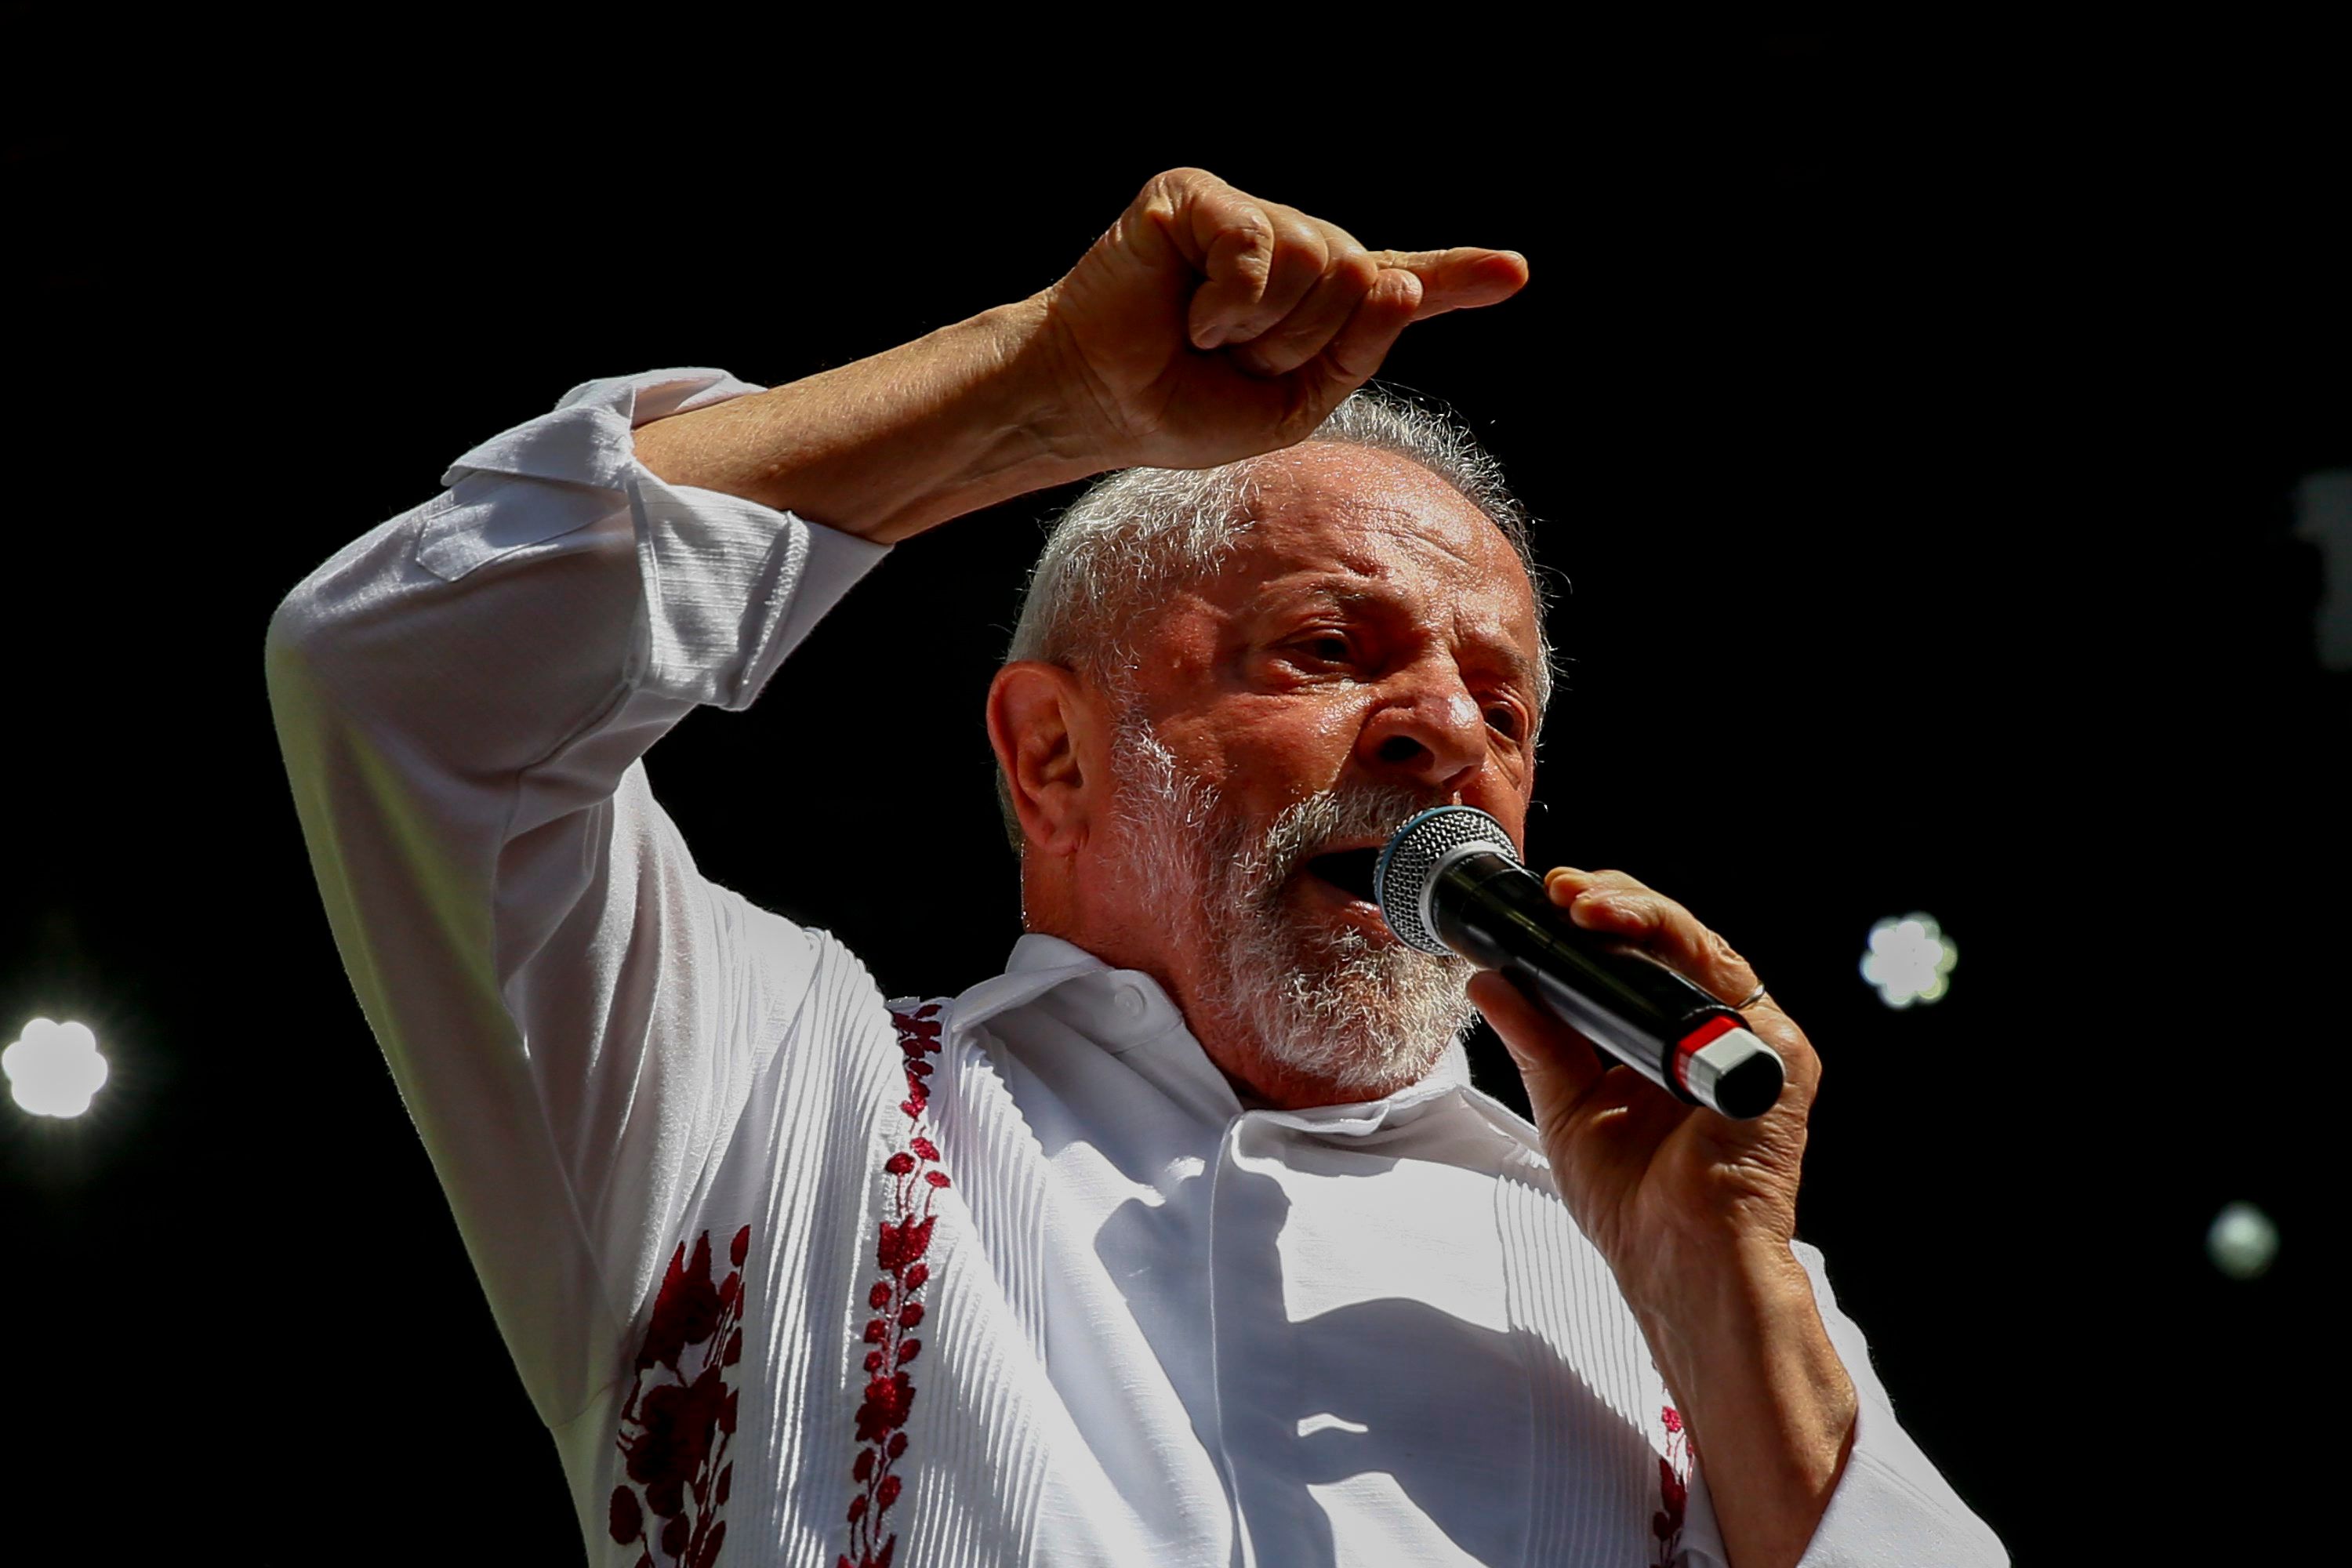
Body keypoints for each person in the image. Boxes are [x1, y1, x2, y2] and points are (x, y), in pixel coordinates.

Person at [267, 168, 2005, 1567]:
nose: (1444, 733)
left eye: (1505, 706)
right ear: (1053, 756)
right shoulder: (765, 1090)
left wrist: (1734, 1300)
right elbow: (406, 675)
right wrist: (1042, 393)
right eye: (1330, 649)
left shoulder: (1672, 1267)